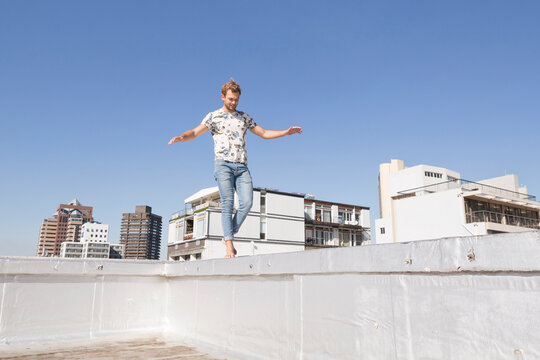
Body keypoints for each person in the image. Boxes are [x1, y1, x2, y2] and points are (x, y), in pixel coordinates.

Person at [168, 79, 302, 258]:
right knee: (228, 203)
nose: (233, 102)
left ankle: (228, 234)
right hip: (223, 164)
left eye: (236, 100)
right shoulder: (213, 117)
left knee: (247, 203)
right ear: (223, 97)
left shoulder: (244, 117)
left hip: (242, 166)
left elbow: (263, 133)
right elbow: (194, 132)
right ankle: (229, 246)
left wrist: (286, 132)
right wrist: (181, 137)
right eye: (230, 99)